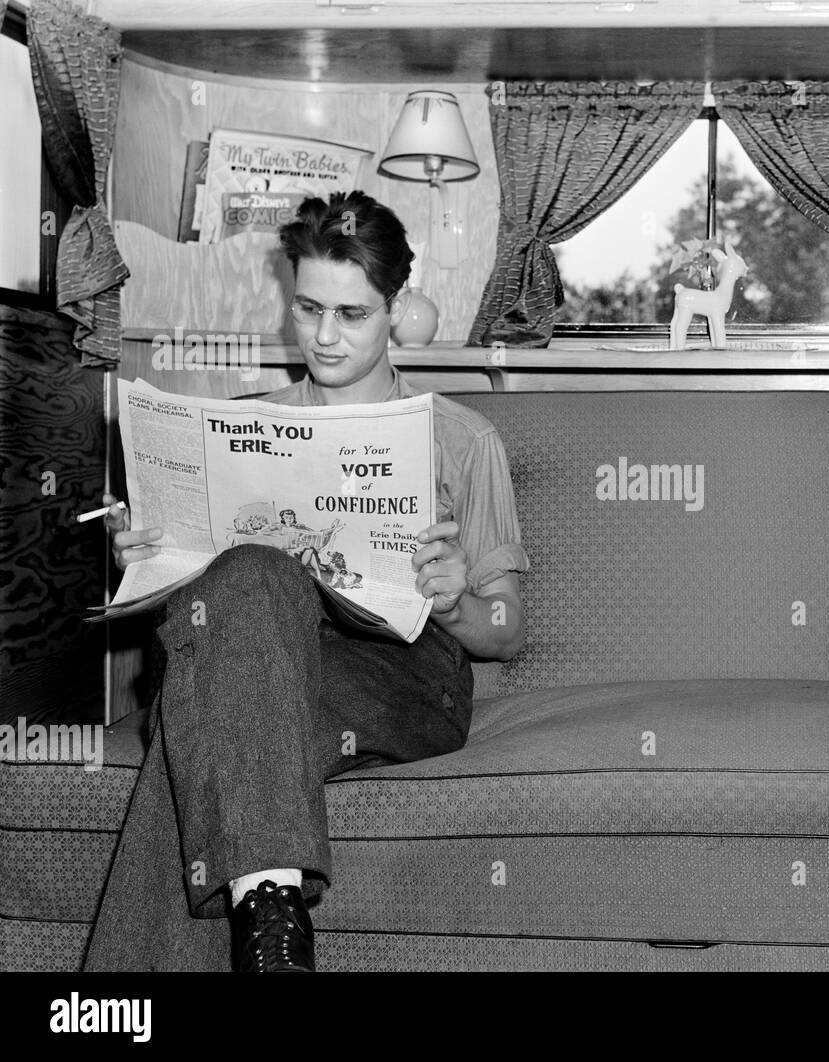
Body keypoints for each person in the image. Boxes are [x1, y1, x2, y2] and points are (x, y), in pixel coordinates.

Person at [86, 191, 529, 972]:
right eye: (308, 308)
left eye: (352, 315)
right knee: (250, 605)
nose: (324, 336)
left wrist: (456, 598)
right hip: (261, 653)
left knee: (214, 719)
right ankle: (276, 939)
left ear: (397, 308)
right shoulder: (244, 424)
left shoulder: (464, 438)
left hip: (405, 672)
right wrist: (149, 555)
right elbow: (196, 603)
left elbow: (508, 630)